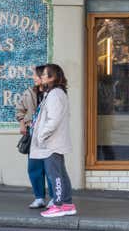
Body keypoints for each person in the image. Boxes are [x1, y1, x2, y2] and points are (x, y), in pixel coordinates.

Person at [30, 64, 77, 218]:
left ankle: (58, 205)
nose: (41, 77)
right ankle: (67, 204)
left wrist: (41, 136)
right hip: (54, 141)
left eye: (44, 74)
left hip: (51, 142)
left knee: (54, 175)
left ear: (53, 77)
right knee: (61, 174)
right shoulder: (55, 93)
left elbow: (53, 120)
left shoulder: (55, 94)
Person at [16, 65, 54, 209]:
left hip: (49, 136)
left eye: (36, 75)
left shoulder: (53, 93)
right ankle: (39, 197)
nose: (33, 78)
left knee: (50, 168)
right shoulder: (29, 93)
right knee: (34, 167)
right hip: (33, 136)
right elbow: (20, 109)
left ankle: (53, 198)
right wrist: (22, 123)